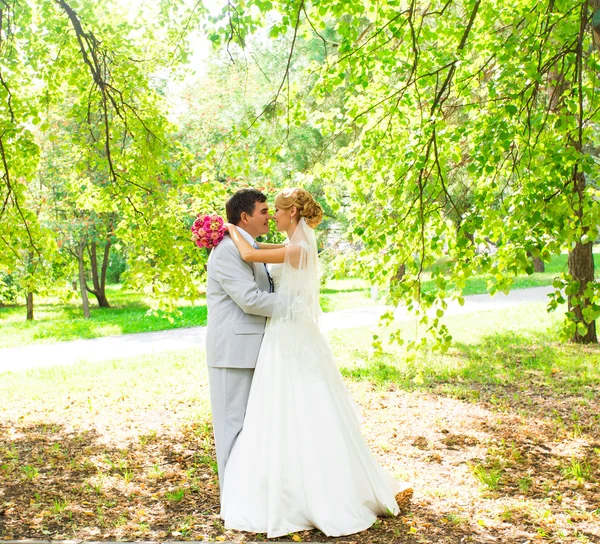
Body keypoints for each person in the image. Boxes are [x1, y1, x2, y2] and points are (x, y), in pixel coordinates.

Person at [220, 187, 409, 538]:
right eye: (268, 210)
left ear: (291, 213)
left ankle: (318, 493)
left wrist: (229, 229)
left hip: (290, 333)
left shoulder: (300, 248)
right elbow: (259, 249)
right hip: (286, 331)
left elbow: (248, 253)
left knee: (301, 402)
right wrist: (239, 233)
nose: (273, 216)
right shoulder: (294, 245)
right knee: (285, 405)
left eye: (276, 210)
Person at [205, 188, 283, 495]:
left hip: (254, 351)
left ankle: (249, 496)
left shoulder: (250, 245)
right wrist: (293, 306)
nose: (268, 217)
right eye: (263, 212)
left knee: (251, 428)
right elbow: (250, 300)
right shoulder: (227, 250)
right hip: (232, 354)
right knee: (230, 428)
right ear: (244, 217)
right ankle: (233, 500)